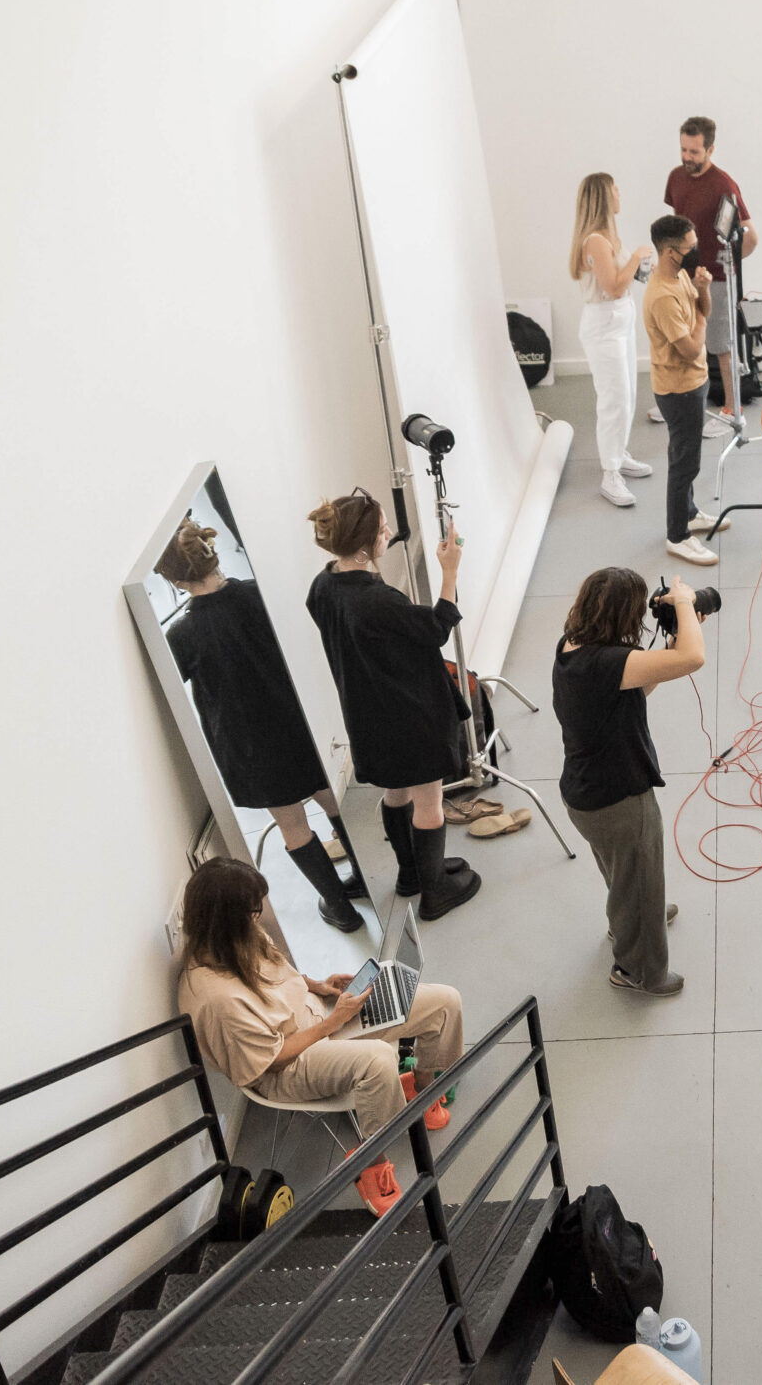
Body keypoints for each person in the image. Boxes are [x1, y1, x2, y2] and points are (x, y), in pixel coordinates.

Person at [175, 858, 465, 1217]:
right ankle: (372, 1163)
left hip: (318, 1020)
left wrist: (318, 986)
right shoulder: (216, 1001)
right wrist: (333, 1023)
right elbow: (271, 1060)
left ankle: (420, 1090)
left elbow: (280, 974)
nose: (259, 917)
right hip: (287, 1066)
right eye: (252, 911)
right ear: (227, 920)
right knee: (377, 1059)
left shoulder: (241, 937)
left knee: (444, 1001)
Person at [158, 515, 369, 933]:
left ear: (176, 582)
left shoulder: (182, 633)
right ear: (212, 556)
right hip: (293, 723)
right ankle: (363, 877)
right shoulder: (258, 595)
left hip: (249, 745)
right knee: (330, 802)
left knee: (293, 826)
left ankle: (340, 908)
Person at [304, 490, 481, 920]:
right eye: (383, 529)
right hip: (410, 716)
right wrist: (450, 572)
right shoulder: (378, 600)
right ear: (367, 547)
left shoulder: (324, 586)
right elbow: (437, 626)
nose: (389, 532)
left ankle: (413, 873)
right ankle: (435, 892)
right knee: (429, 802)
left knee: (395, 791)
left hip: (368, 716)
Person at [552, 568, 701, 997]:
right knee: (638, 874)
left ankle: (635, 919)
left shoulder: (572, 648)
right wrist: (686, 605)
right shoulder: (609, 661)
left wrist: (672, 645)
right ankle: (639, 971)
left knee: (623, 873)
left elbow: (631, 688)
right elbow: (694, 659)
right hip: (618, 799)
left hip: (585, 794)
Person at [662, 115, 756, 430]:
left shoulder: (724, 185)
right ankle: (679, 402)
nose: (687, 158)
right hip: (682, 277)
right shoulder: (676, 177)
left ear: (710, 149)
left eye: (694, 152)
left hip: (716, 280)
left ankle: (732, 409)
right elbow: (678, 224)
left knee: (721, 345)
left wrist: (722, 265)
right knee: (682, 340)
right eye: (684, 150)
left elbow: (750, 238)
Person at [568, 172, 653, 509]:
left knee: (628, 392)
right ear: (605, 197)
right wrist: (636, 257)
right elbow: (614, 286)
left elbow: (626, 282)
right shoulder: (595, 242)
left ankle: (619, 454)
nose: (621, 194)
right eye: (616, 190)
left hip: (621, 319)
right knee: (613, 399)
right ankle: (609, 473)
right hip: (604, 325)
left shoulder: (609, 237)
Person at [643, 215, 721, 567]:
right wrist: (702, 323)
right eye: (690, 248)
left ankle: (688, 513)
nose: (696, 252)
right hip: (678, 390)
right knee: (683, 465)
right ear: (671, 252)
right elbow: (690, 348)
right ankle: (678, 535)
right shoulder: (661, 295)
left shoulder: (681, 277)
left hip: (695, 382)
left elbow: (703, 309)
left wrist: (703, 288)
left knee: (688, 458)